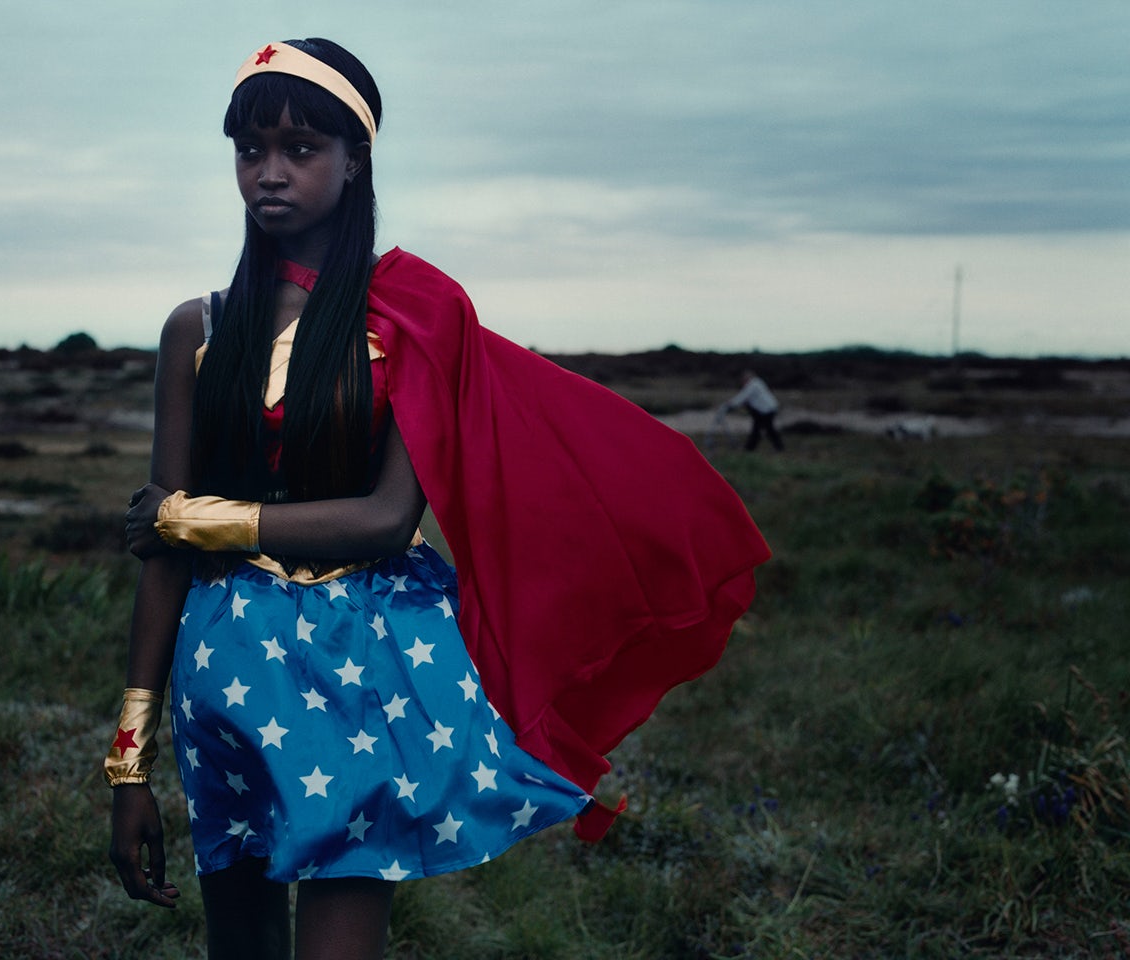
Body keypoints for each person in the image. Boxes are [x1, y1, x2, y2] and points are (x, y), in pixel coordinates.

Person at [106, 38, 770, 960]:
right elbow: (160, 561)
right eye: (249, 150)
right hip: (220, 672)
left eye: (300, 149)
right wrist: (128, 763)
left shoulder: (409, 318)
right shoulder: (199, 329)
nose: (269, 173)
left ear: (355, 160)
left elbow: (387, 519)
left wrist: (192, 515)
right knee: (239, 946)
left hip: (357, 664)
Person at [716, 369, 784, 451]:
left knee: (764, 429)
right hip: (765, 410)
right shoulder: (757, 382)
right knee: (762, 429)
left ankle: (752, 448)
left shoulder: (753, 385)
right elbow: (746, 398)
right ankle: (752, 448)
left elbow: (743, 396)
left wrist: (730, 403)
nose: (743, 381)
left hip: (766, 410)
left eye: (744, 379)